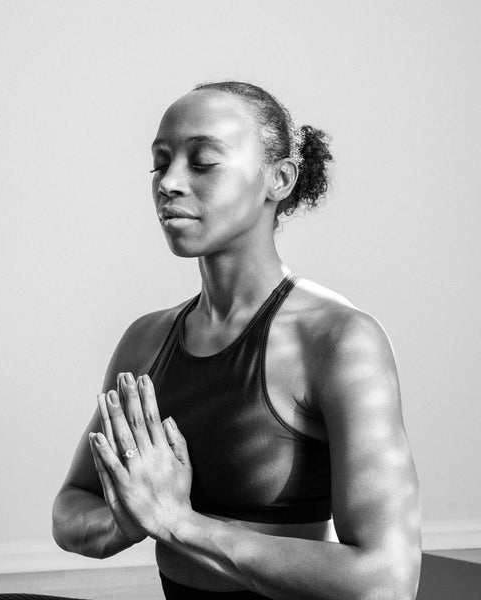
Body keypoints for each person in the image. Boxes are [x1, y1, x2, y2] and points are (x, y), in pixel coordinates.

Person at [52, 81, 422, 600]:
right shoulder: (145, 340)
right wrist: (130, 520)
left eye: (202, 162)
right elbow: (71, 506)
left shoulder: (339, 341)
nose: (169, 183)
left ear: (279, 179)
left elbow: (386, 580)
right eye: (160, 163)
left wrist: (181, 524)